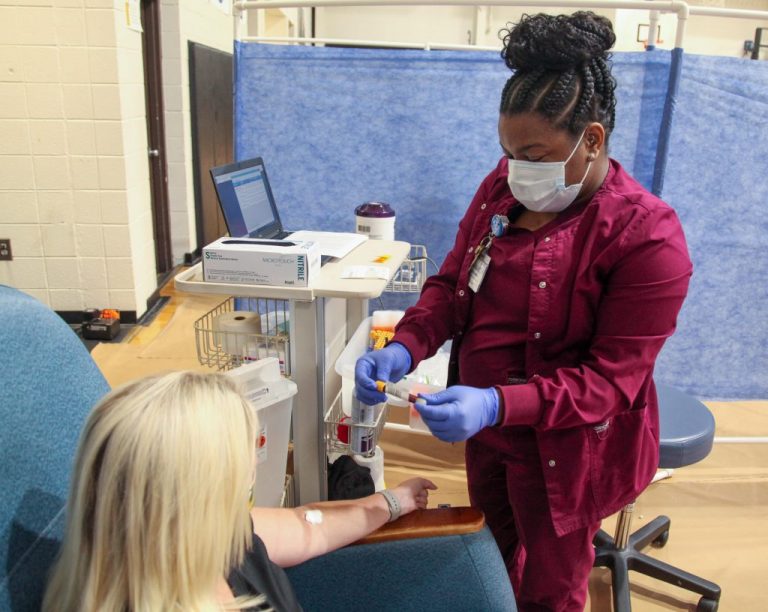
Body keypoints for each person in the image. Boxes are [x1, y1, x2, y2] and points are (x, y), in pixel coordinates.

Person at [355, 11, 692, 611]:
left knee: (550, 591)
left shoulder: (647, 238)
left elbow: (610, 382)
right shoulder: (502, 189)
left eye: (534, 154)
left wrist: (496, 403)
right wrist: (405, 345)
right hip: (490, 438)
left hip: (570, 451)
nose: (517, 170)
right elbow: (454, 284)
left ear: (592, 139)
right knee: (490, 563)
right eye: (508, 153)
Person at [42, 371, 436, 611]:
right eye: (246, 451)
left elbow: (307, 525)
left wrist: (391, 501)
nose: (255, 464)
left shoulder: (215, 536)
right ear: (205, 492)